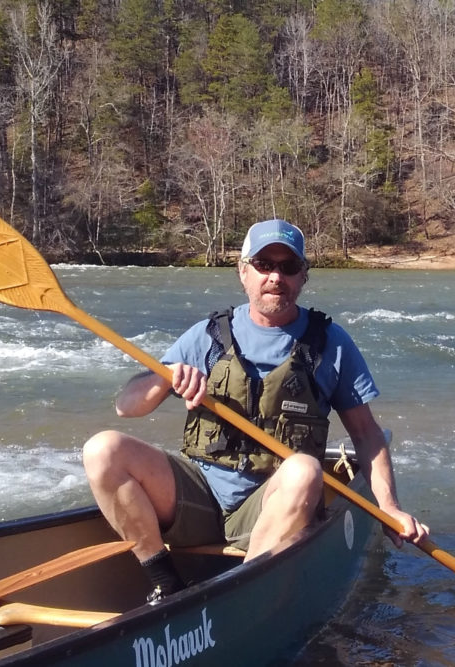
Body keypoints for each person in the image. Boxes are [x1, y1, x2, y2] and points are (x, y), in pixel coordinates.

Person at [82, 219, 429, 603]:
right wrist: (164, 380)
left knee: (305, 468)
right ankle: (165, 580)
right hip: (199, 498)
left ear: (303, 277)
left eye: (288, 267)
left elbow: (366, 434)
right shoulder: (207, 336)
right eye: (264, 264)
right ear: (243, 272)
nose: (275, 276)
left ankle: (243, 592)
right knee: (103, 449)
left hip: (272, 507)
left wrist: (391, 508)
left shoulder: (330, 343)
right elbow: (126, 407)